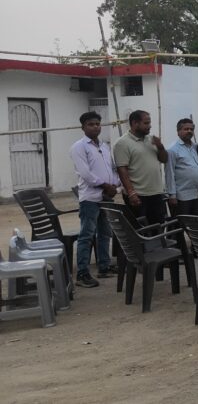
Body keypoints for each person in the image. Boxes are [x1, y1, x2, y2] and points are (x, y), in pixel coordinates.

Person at [70, 111, 120, 287]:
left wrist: (114, 186)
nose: (95, 127)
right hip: (90, 198)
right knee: (87, 235)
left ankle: (104, 267)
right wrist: (105, 186)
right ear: (83, 127)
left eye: (97, 124)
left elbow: (112, 169)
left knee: (105, 232)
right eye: (91, 124)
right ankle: (82, 274)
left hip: (106, 197)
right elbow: (85, 173)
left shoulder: (104, 146)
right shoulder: (79, 147)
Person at [113, 110, 167, 226]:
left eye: (149, 123)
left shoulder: (151, 139)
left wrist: (161, 147)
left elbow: (164, 160)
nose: (150, 126)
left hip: (156, 193)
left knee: (158, 227)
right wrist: (131, 193)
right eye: (146, 123)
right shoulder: (122, 143)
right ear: (135, 123)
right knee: (142, 230)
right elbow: (122, 170)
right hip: (138, 195)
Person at [165, 118, 198, 217]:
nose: (189, 131)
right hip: (182, 196)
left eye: (191, 129)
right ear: (178, 132)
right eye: (186, 129)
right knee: (182, 223)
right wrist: (172, 195)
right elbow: (169, 173)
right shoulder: (172, 150)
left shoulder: (195, 147)